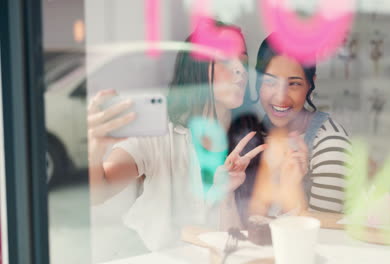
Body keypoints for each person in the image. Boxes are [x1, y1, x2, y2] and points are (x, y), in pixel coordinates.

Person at [87, 20, 265, 251]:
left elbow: (242, 238)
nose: (240, 70)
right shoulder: (159, 133)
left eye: (242, 60)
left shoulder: (249, 141)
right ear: (195, 68)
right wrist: (96, 147)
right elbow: (99, 191)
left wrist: (227, 195)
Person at [249, 33, 352, 216]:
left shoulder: (330, 141)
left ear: (310, 85)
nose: (281, 96)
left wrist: (292, 187)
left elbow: (322, 234)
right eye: (271, 82)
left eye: (294, 84)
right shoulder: (251, 134)